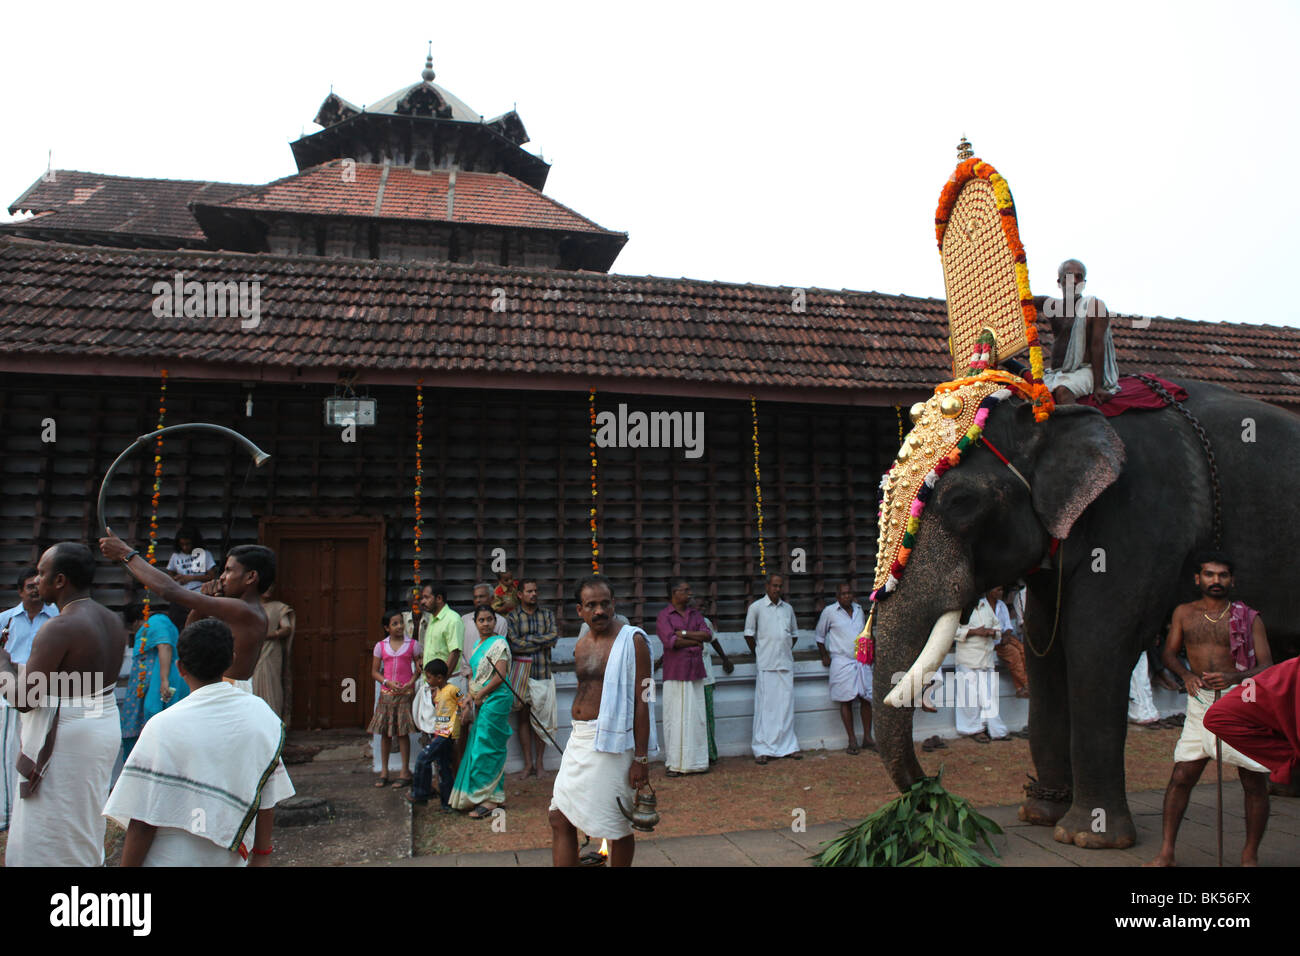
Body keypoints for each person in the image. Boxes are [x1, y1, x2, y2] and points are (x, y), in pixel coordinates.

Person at [104, 618, 295, 866]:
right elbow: (266, 793)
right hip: (229, 857)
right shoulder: (262, 715)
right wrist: (262, 856)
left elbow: (143, 820)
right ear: (232, 658)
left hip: (170, 857)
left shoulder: (163, 726)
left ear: (180, 668)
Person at [0, 543, 124, 866]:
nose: (37, 580)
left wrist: (2, 663)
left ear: (60, 581)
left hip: (68, 735)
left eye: (42, 573)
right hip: (102, 725)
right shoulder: (113, 620)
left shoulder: (59, 627)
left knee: (49, 827)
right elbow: (78, 682)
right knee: (83, 818)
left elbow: (25, 700)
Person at [1147, 552, 1274, 867]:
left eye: (1222, 575)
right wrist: (1187, 675)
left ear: (1232, 580)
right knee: (1181, 775)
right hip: (1201, 701)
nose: (1215, 581)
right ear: (1197, 578)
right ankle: (1166, 853)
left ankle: (1249, 856)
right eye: (1209, 574)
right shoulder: (1184, 613)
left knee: (1254, 780)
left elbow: (1266, 665)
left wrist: (1233, 677)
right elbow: (1169, 654)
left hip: (1241, 701)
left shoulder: (1249, 617)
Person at [550, 576, 654, 867]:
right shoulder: (580, 644)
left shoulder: (633, 641)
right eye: (591, 605)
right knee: (559, 816)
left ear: (614, 604)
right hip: (579, 739)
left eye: (605, 603)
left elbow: (644, 700)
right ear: (579, 610)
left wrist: (642, 759)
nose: (599, 611)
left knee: (617, 824)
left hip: (615, 741)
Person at [99, 533, 274, 687]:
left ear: (251, 577)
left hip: (228, 690)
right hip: (220, 688)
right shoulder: (238, 608)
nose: (221, 577)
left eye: (228, 571)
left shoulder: (244, 609)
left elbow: (170, 591)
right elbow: (189, 633)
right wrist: (205, 603)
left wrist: (126, 553)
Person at [0, 567, 58, 831]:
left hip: (44, 690)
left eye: (38, 584)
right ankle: (7, 814)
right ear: (20, 591)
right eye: (29, 586)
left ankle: (30, 811)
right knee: (7, 751)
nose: (35, 590)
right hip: (9, 690)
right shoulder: (5, 619)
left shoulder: (56, 617)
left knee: (35, 749)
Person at [449, 607, 513, 817]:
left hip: (497, 699)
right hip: (481, 699)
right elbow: (476, 677)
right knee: (480, 745)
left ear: (495, 622)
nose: (485, 623)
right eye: (481, 620)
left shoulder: (499, 644)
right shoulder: (477, 645)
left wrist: (479, 695)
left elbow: (500, 675)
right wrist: (470, 697)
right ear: (474, 623)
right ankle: (488, 795)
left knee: (488, 747)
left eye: (489, 619)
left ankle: (490, 800)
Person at [1205, 655, 1299, 788]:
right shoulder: (1289, 671)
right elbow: (1218, 717)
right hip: (1212, 695)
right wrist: (1289, 758)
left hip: (1239, 689)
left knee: (1252, 782)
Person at [1034, 259, 1119, 406]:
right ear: (1060, 282)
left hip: (1084, 371)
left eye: (1079, 277)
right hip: (1056, 373)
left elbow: (1097, 346)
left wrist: (1098, 386)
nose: (1074, 281)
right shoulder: (1051, 305)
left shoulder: (1094, 307)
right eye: (1069, 276)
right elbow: (1021, 299)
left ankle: (1076, 429)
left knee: (1063, 391)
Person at [119, 603, 189, 761]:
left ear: (137, 622)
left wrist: (163, 679)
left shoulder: (157, 622)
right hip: (149, 685)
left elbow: (164, 646)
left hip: (160, 683)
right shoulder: (156, 623)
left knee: (155, 721)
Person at [657, 579, 713, 776]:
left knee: (695, 718)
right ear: (674, 593)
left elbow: (707, 635)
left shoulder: (695, 614)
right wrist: (694, 642)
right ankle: (675, 764)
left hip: (695, 672)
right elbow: (670, 641)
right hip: (675, 673)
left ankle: (696, 762)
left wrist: (683, 634)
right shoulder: (664, 616)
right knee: (675, 718)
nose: (690, 594)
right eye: (686, 590)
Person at [744, 573, 801, 764]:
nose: (777, 589)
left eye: (780, 586)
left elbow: (794, 635)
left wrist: (782, 650)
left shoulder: (788, 609)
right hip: (766, 665)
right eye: (774, 586)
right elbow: (749, 635)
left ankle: (789, 747)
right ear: (767, 586)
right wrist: (760, 654)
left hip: (785, 663)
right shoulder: (756, 608)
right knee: (765, 709)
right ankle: (762, 749)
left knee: (785, 706)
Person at [506, 578, 559, 777]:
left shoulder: (547, 615)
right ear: (520, 594)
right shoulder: (512, 617)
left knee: (541, 720)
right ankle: (528, 764)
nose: (533, 594)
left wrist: (527, 640)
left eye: (535, 590)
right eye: (529, 591)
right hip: (521, 676)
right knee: (523, 719)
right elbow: (514, 645)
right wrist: (540, 642)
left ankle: (540, 764)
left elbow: (553, 637)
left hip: (543, 674)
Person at [815, 581, 873, 754]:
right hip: (841, 661)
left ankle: (868, 738)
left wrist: (870, 654)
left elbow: (866, 634)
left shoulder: (859, 610)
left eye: (849, 593)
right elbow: (819, 636)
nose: (847, 596)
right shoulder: (829, 612)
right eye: (844, 594)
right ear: (837, 596)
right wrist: (825, 655)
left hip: (861, 661)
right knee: (845, 700)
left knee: (866, 699)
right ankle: (852, 740)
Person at [368, 610, 422, 788]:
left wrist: (411, 683)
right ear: (386, 627)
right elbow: (374, 672)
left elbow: (419, 668)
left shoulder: (413, 644)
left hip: (405, 695)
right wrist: (387, 682)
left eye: (401, 623)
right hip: (387, 695)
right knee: (385, 733)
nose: (399, 627)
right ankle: (384, 771)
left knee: (403, 733)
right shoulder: (380, 646)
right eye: (395, 624)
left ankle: (404, 771)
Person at [953, 587, 1009, 742]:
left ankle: (994, 730)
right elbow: (952, 631)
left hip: (986, 659)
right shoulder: (960, 609)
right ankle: (973, 730)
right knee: (970, 698)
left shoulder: (986, 607)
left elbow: (998, 627)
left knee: (989, 696)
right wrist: (974, 632)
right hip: (968, 659)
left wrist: (992, 632)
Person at [408, 658, 462, 809]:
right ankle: (448, 804)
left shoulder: (452, 689)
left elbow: (463, 702)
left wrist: (462, 717)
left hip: (448, 734)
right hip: (439, 733)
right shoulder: (437, 693)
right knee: (443, 767)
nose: (427, 680)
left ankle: (421, 793)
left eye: (429, 677)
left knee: (423, 757)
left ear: (440, 678)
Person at [252, 587, 295, 721]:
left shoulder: (278, 607)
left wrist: (271, 635)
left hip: (271, 650)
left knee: (273, 685)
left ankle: (274, 722)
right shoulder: (249, 607)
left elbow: (287, 628)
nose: (269, 589)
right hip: (254, 650)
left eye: (272, 585)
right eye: (266, 585)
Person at [698, 606, 733, 765]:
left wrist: (725, 659)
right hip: (689, 679)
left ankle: (710, 753)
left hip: (706, 679)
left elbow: (714, 641)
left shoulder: (705, 623)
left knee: (708, 718)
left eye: (700, 606)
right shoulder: (681, 623)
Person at [164, 525, 217, 628]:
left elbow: (211, 576)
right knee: (178, 623)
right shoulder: (176, 555)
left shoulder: (203, 554)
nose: (185, 547)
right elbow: (170, 571)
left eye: (188, 544)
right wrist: (176, 579)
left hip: (198, 595)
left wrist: (191, 578)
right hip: (180, 596)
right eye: (182, 544)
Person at [997, 583, 1030, 699]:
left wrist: (1006, 635)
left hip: (1005, 637)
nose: (1000, 593)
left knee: (1022, 650)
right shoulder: (983, 605)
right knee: (1013, 653)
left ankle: (1021, 688)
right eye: (998, 590)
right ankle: (1026, 685)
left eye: (1001, 590)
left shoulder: (1001, 605)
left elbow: (1008, 626)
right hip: (993, 640)